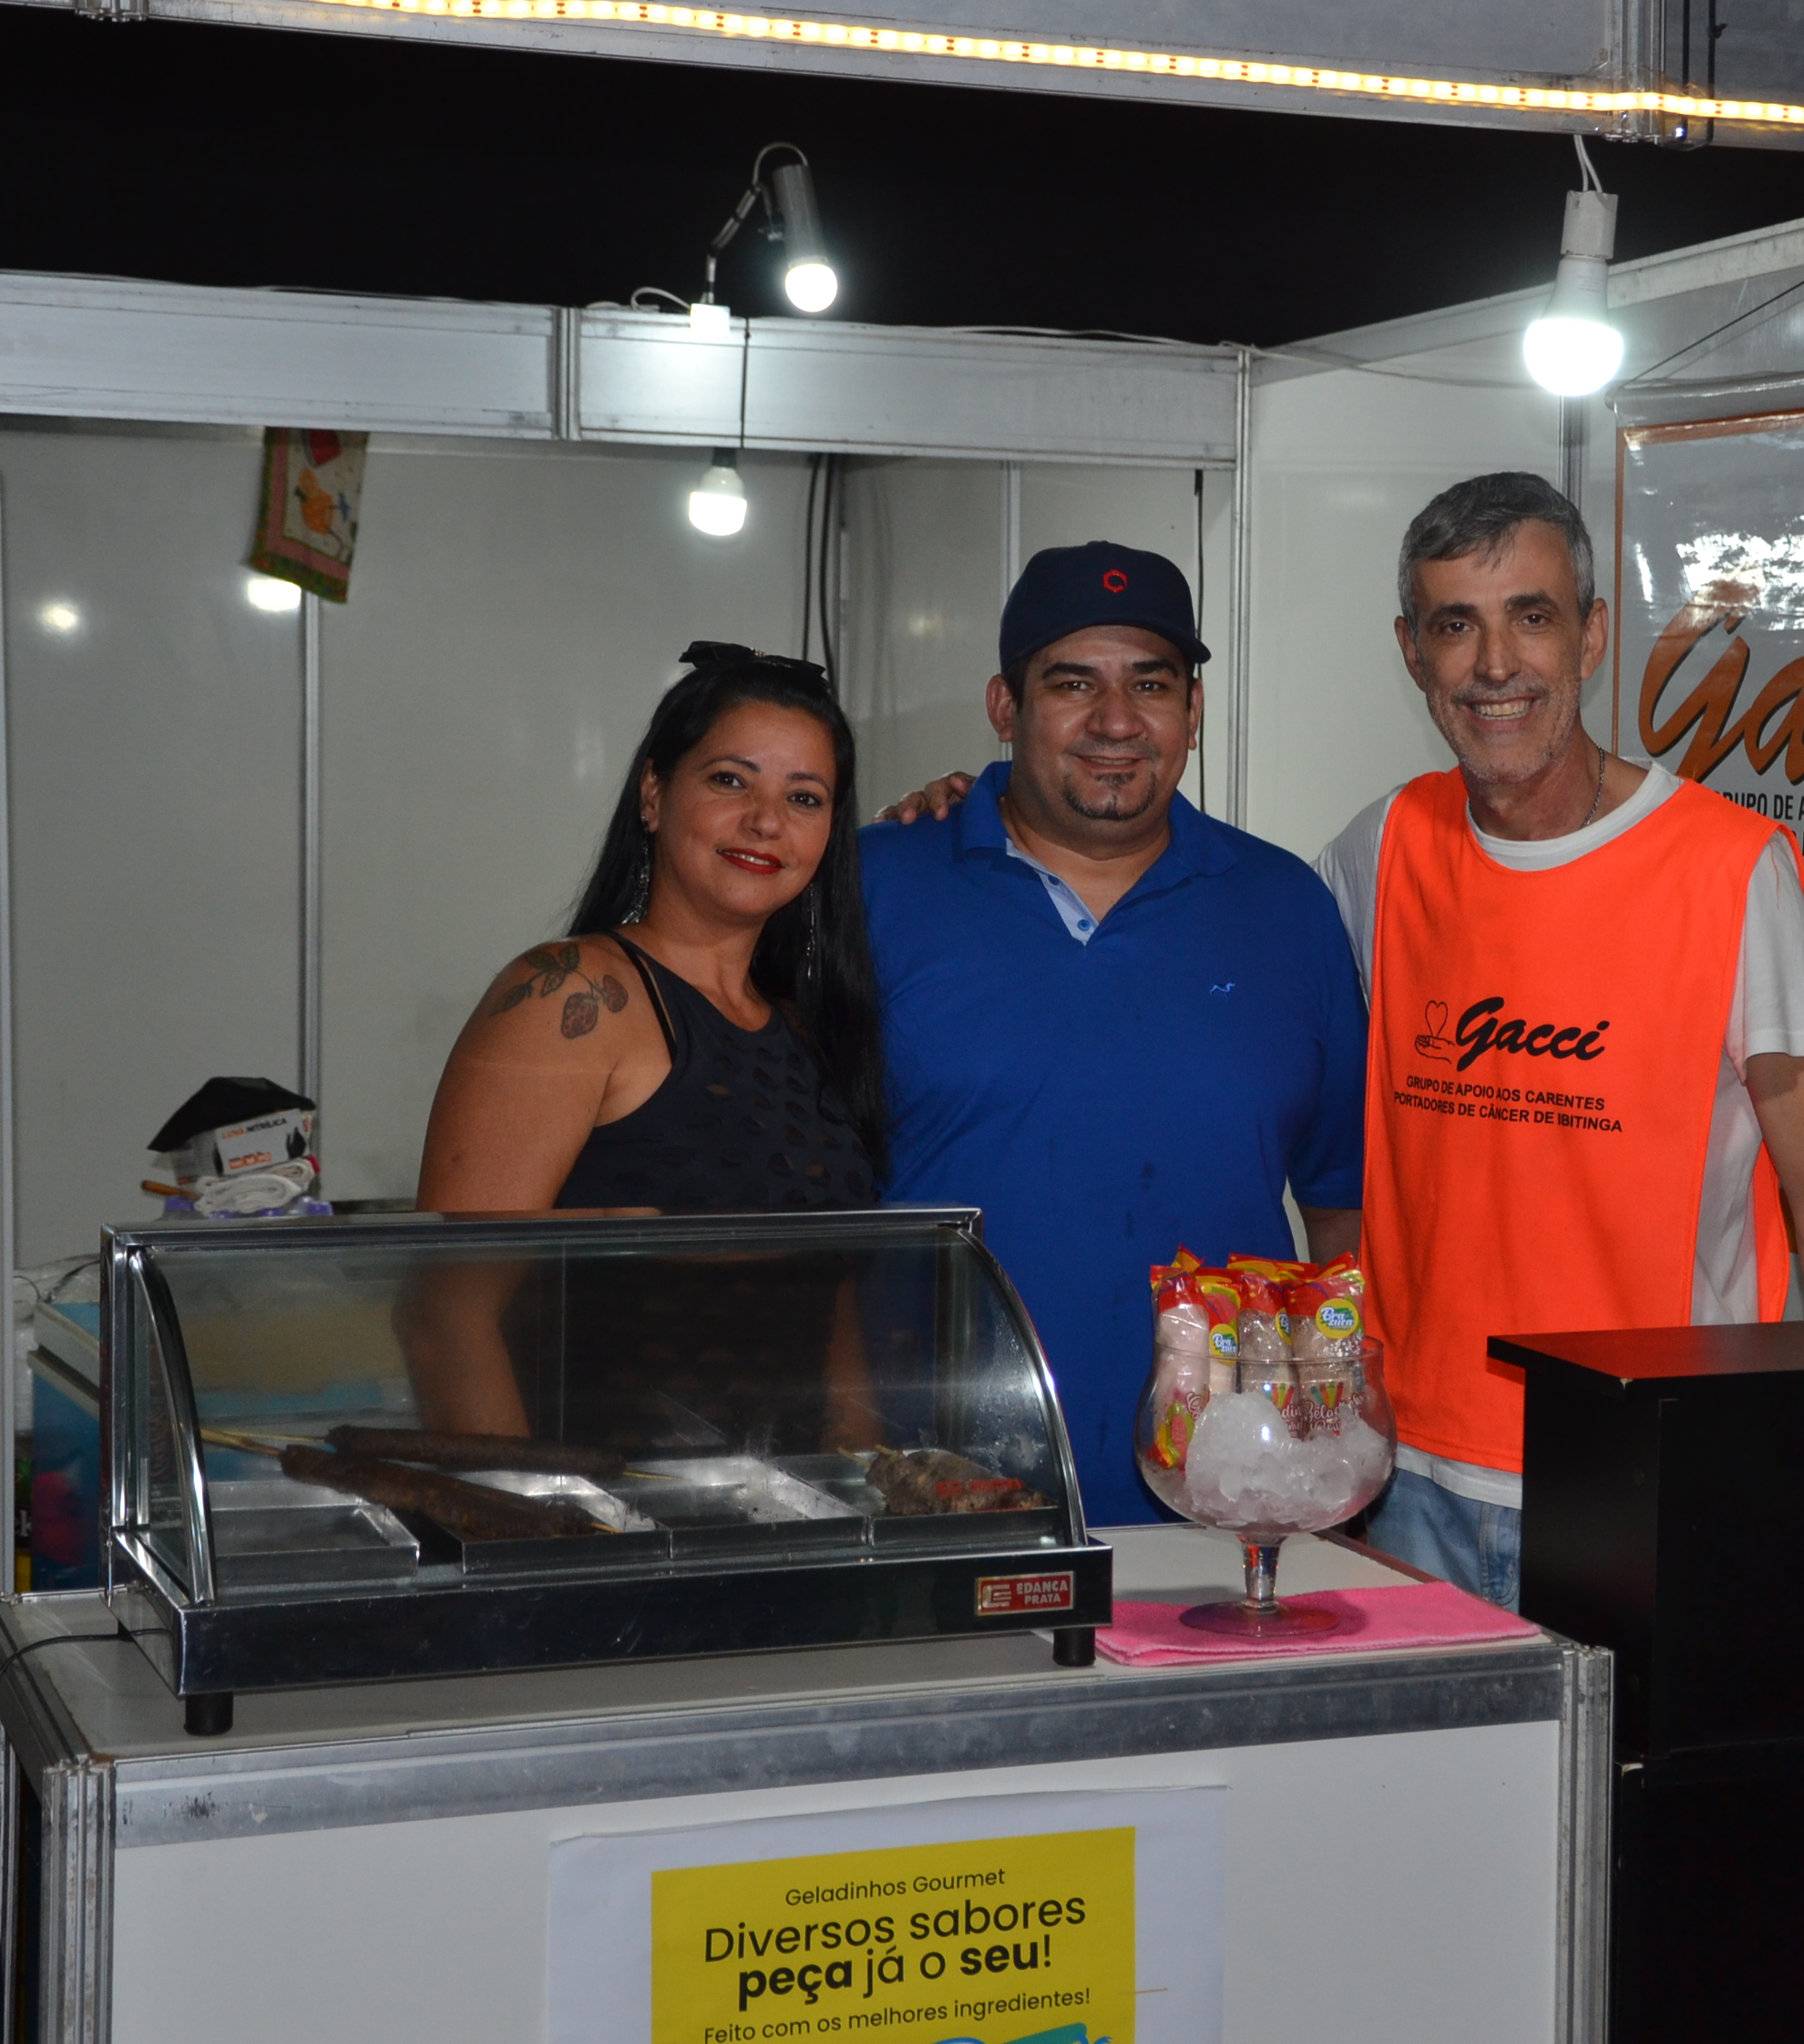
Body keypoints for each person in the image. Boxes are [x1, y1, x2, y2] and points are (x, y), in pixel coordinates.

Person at [1317, 473, 1804, 1608]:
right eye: (1456, 626)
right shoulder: (1382, 847)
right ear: (1412, 651)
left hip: (1649, 1467)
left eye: (1531, 617)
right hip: (1404, 1474)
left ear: (1590, 635)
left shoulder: (1727, 870)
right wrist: (986, 821)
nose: (1495, 665)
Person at [859, 541, 1367, 1527]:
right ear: (1005, 706)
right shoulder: (874, 883)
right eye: (1072, 683)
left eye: (1151, 684)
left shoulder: (1287, 907)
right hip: (931, 1493)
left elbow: (1342, 1216)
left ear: (1193, 711)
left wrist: (1328, 1447)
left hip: (1225, 1498)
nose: (1117, 721)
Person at [407, 640, 887, 1446]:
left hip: (793, 1508)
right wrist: (538, 1514)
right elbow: (444, 1317)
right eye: (730, 780)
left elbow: (834, 1331)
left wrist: (871, 1489)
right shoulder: (569, 995)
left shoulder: (808, 1030)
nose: (767, 820)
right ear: (654, 795)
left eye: (804, 798)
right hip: (594, 1507)